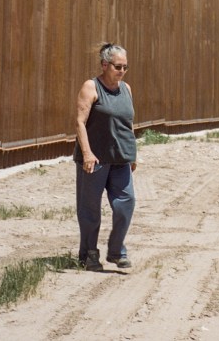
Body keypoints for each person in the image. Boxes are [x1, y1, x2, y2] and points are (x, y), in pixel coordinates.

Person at [74, 43, 137, 271]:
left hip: (121, 158)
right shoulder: (91, 87)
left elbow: (127, 123)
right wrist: (87, 153)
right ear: (104, 64)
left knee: (126, 203)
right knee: (90, 209)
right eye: (118, 66)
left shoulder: (126, 89)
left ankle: (116, 250)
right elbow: (80, 122)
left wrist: (132, 153)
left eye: (125, 67)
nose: (122, 71)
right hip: (96, 160)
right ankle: (89, 254)